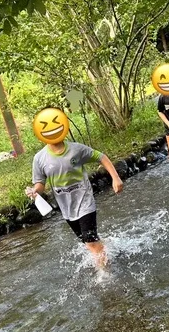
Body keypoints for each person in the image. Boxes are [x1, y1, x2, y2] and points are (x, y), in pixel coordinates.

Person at [25, 107, 124, 269]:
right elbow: (40, 184)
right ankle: (108, 248)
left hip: (85, 202)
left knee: (90, 242)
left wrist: (116, 178)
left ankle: (105, 274)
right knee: (88, 241)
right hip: (67, 208)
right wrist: (35, 191)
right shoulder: (39, 159)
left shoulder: (76, 150)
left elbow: (101, 157)